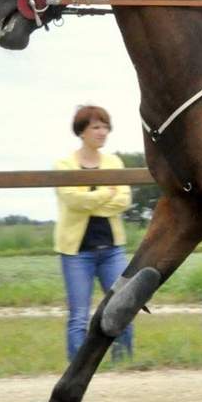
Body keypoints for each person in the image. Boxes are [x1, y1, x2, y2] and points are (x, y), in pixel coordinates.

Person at [54, 105, 133, 362]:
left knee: (122, 308)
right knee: (79, 315)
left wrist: (91, 199)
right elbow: (72, 201)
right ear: (82, 131)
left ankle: (123, 366)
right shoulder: (64, 164)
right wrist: (104, 194)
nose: (102, 132)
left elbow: (123, 201)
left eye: (105, 127)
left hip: (112, 250)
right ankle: (77, 370)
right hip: (76, 253)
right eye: (96, 127)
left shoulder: (114, 162)